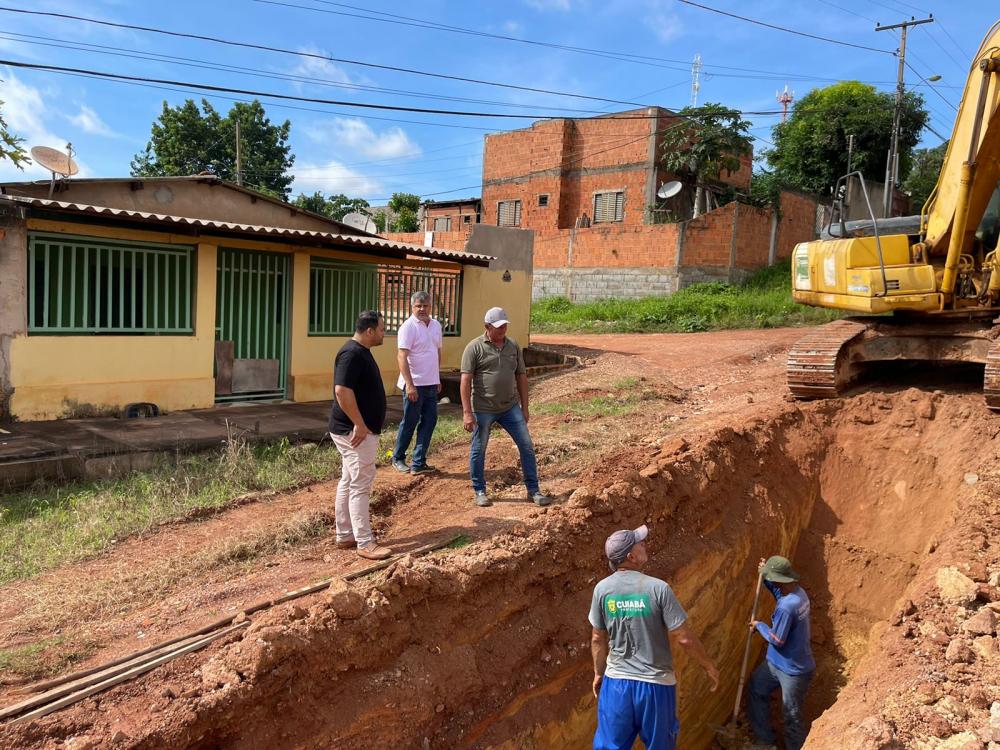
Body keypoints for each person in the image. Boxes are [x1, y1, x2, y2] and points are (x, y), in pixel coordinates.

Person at [589, 525, 719, 750]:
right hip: (655, 686)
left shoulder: (602, 590)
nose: (644, 544)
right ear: (631, 556)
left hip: (616, 684)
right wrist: (709, 666)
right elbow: (684, 637)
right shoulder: (658, 589)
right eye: (640, 543)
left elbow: (597, 638)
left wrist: (599, 673)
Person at [460, 306, 548, 508]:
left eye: (505, 326)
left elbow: (522, 377)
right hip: (483, 409)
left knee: (526, 446)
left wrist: (525, 407)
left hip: (510, 407)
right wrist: (467, 413)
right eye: (498, 327)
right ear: (487, 327)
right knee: (478, 449)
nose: (502, 330)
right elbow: (465, 381)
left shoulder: (513, 346)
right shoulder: (474, 348)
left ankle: (533, 490)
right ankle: (480, 491)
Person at [328, 311, 391, 561]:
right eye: (382, 329)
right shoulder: (351, 354)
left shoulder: (360, 352)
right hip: (354, 432)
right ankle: (365, 543)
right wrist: (360, 424)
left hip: (353, 429)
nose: (384, 333)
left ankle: (345, 535)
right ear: (369, 331)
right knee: (360, 484)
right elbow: (342, 391)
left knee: (348, 479)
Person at [747, 555, 816, 750]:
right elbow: (778, 593)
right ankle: (765, 740)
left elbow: (777, 640)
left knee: (792, 717)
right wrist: (766, 576)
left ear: (780, 580)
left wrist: (759, 625)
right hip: (776, 664)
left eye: (772, 578)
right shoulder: (798, 593)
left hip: (793, 671)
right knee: (756, 688)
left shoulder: (787, 607)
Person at [391, 290, 443, 475]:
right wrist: (410, 385)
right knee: (410, 422)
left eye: (425, 305)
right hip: (414, 385)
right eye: (418, 306)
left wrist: (437, 378)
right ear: (412, 307)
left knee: (429, 421)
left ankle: (419, 462)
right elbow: (401, 356)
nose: (422, 309)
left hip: (430, 384)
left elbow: (436, 352)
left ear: (431, 306)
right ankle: (397, 458)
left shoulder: (436, 325)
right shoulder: (408, 327)